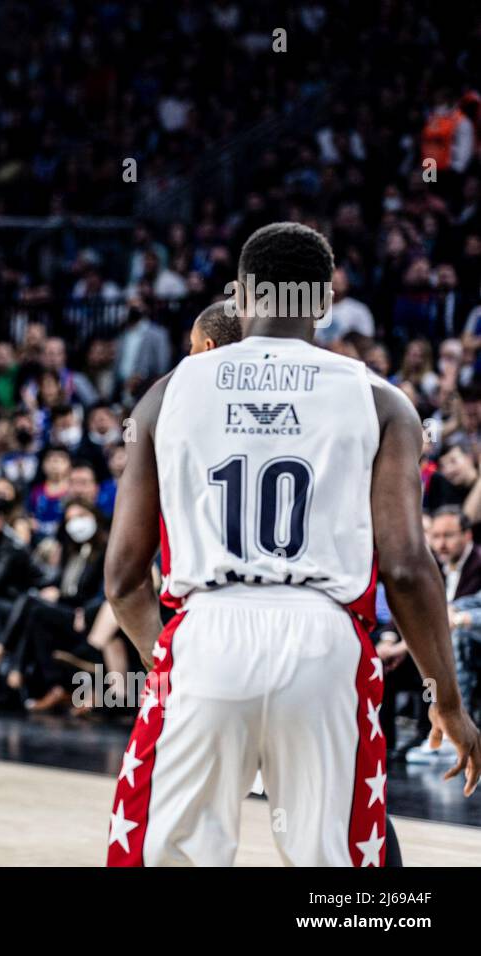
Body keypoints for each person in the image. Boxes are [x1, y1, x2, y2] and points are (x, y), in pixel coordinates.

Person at [104, 221, 481, 867]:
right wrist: (446, 697)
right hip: (325, 639)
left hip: (207, 629)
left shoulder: (166, 394)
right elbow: (409, 568)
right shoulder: (380, 400)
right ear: (326, 303)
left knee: (168, 856)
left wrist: (165, 662)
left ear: (241, 296)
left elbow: (121, 577)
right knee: (336, 869)